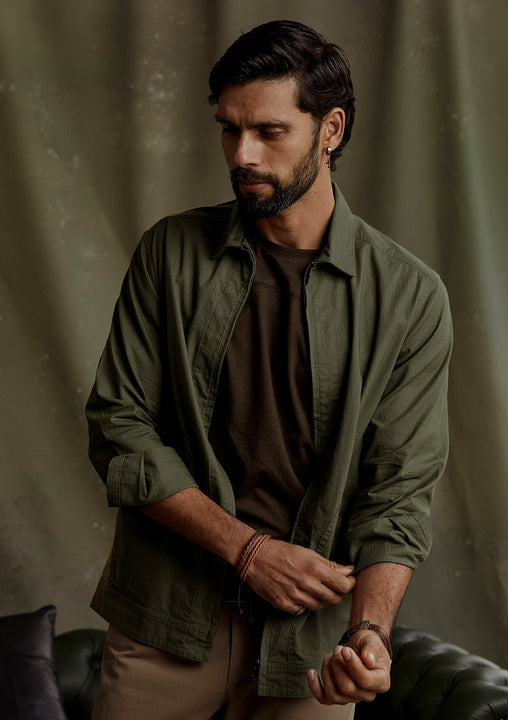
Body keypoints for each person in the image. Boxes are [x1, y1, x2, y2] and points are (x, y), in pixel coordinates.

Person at [86, 19, 452, 720]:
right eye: (229, 130)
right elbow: (118, 429)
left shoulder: (410, 298)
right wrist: (248, 551)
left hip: (310, 643)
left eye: (269, 131)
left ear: (330, 129)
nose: (242, 154)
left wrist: (369, 635)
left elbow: (398, 492)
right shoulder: (170, 252)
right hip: (166, 618)